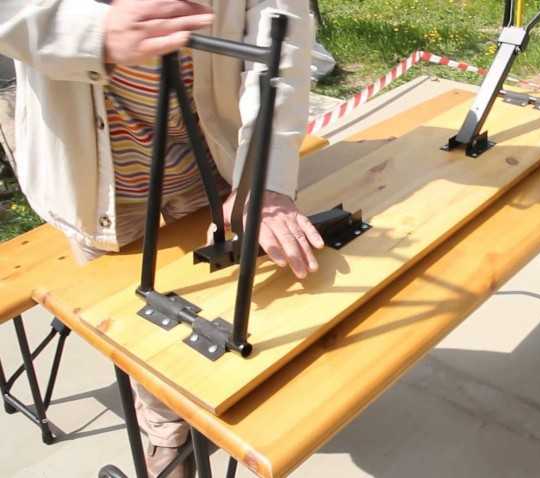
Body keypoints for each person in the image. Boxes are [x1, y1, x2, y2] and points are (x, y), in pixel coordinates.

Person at [0, 1, 322, 476]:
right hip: (98, 179)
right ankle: (167, 435)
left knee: (233, 304)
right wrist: (89, 31)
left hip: (212, 155)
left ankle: (220, 405)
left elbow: (282, 35)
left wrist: (264, 177)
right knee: (143, 330)